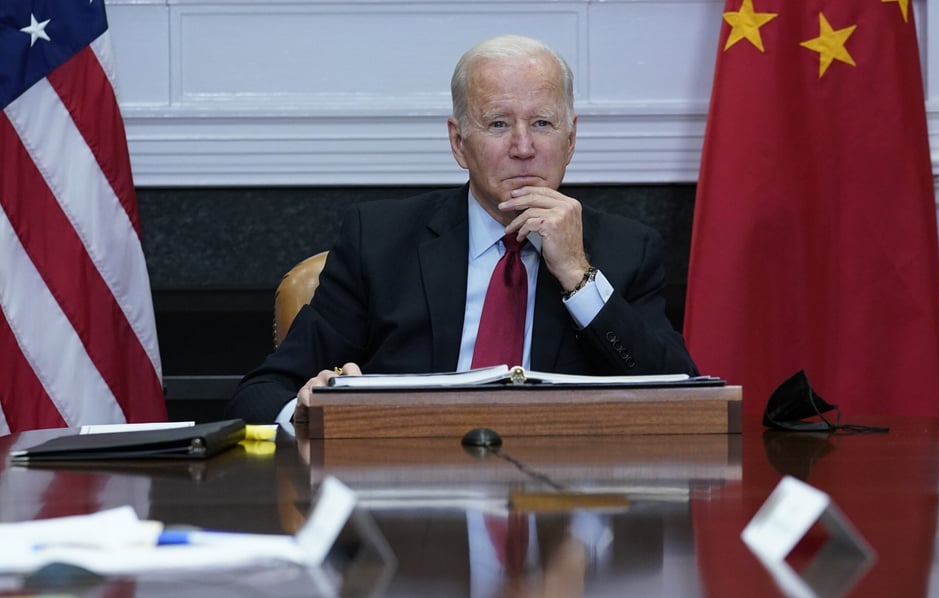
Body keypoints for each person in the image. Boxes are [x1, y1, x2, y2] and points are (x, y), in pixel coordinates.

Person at [226, 35, 699, 424]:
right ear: (459, 142)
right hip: (413, 510)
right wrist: (306, 412)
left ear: (570, 139)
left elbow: (685, 403)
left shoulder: (625, 250)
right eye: (497, 123)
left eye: (542, 123)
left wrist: (578, 275)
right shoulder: (380, 242)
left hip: (560, 513)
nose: (523, 147)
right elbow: (262, 394)